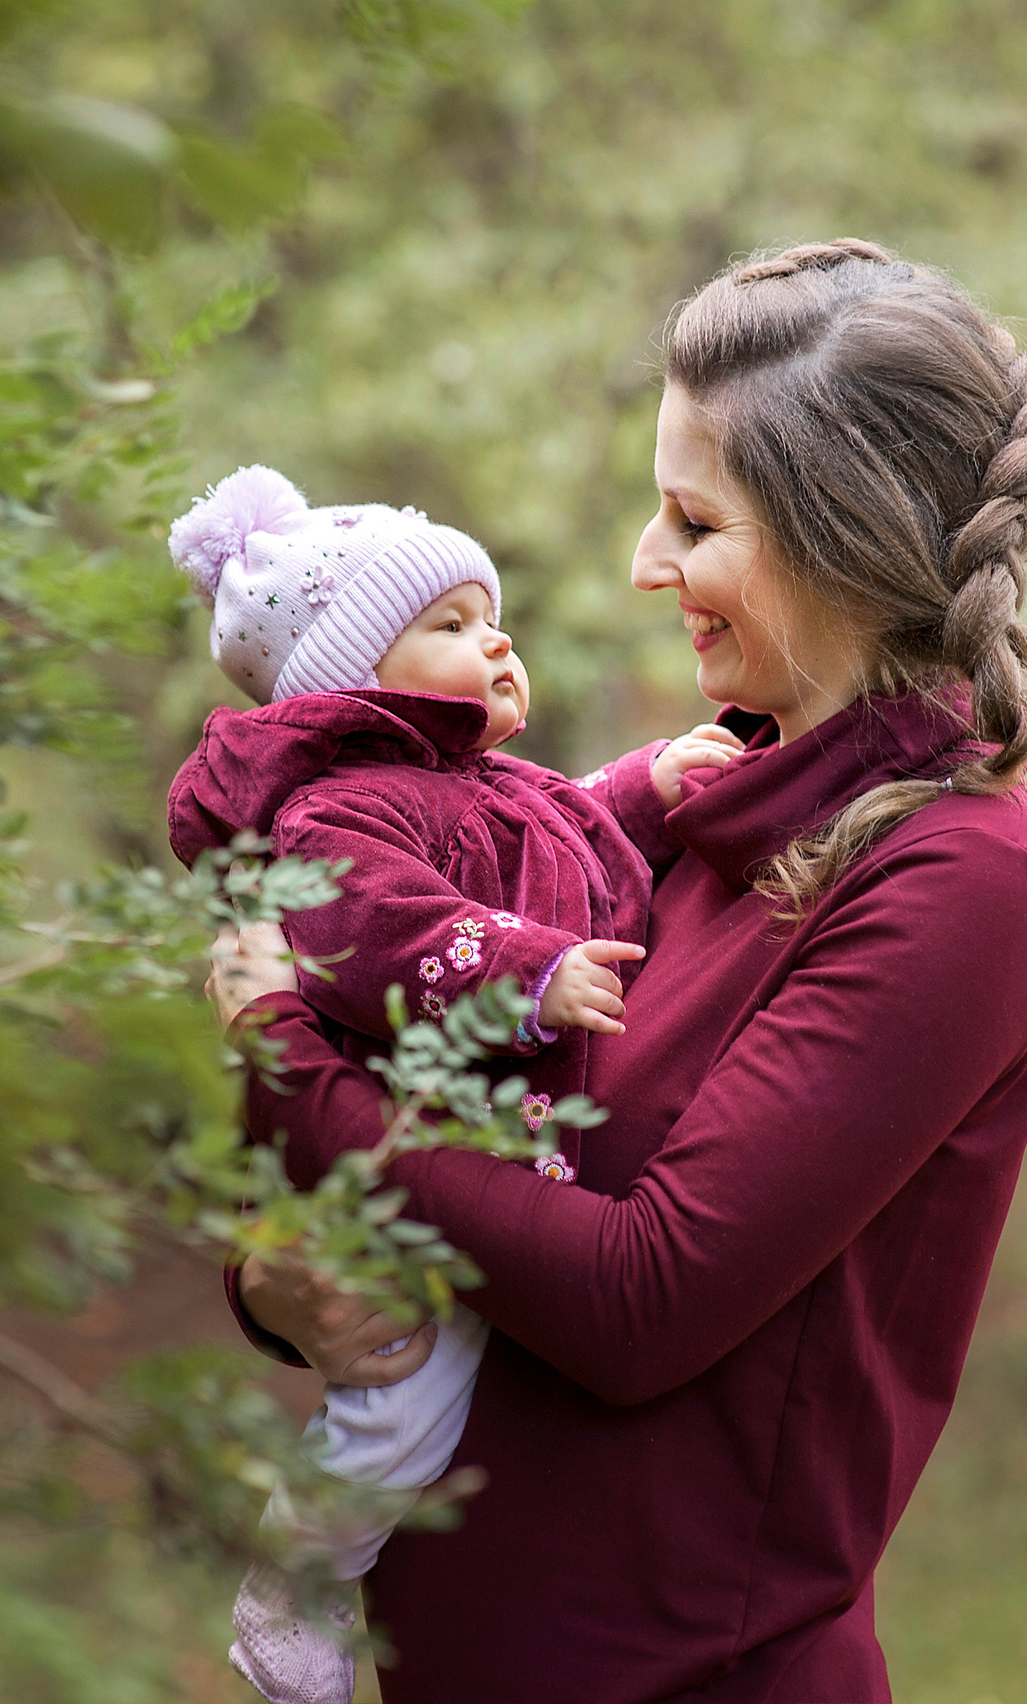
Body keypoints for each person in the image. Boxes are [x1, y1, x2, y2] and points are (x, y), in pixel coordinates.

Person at [207, 238, 1027, 1703]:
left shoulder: (961, 882)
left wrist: (292, 1080)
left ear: (837, 536)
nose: (642, 563)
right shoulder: (687, 799)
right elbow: (459, 1123)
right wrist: (280, 1283)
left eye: (693, 517)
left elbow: (639, 1298)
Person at [165, 465, 743, 1704]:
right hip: (410, 1165)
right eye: (451, 625)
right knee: (406, 1392)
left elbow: (570, 824)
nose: (495, 642)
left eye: (493, 620)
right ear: (354, 674)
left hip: (475, 1160)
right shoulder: (339, 812)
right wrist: (526, 976)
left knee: (431, 1385)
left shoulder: (479, 785)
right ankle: (294, 1586)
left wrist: (649, 785)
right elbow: (379, 928)